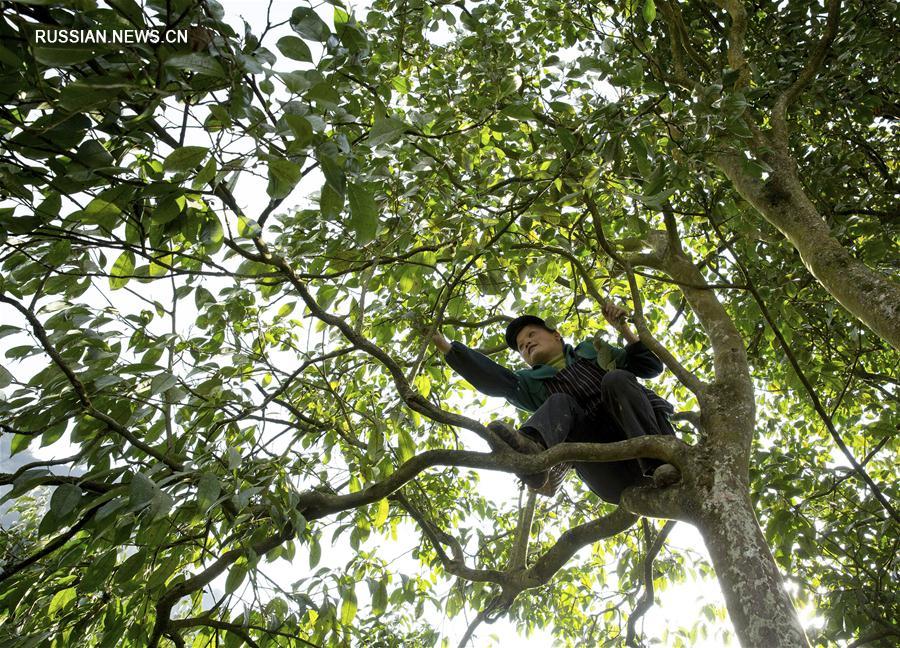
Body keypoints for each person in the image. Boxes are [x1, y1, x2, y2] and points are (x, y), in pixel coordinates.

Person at [431, 303, 679, 504]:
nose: (526, 343)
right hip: (608, 472)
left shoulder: (591, 350)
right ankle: (531, 456)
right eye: (520, 346)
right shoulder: (529, 383)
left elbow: (650, 367)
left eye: (531, 335)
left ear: (556, 335)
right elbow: (495, 378)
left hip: (653, 450)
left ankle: (658, 462)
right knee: (560, 400)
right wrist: (447, 347)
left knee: (615, 378)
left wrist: (623, 328)